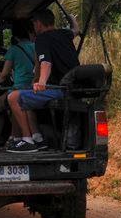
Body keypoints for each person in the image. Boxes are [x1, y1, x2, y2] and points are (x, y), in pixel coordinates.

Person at [6, 8, 80, 153]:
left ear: (38, 24)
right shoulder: (64, 34)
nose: (34, 28)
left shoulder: (42, 39)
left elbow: (45, 63)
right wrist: (72, 18)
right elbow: (76, 30)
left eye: (34, 24)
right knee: (28, 96)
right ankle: (38, 138)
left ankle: (27, 140)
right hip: (74, 87)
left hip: (60, 89)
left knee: (13, 97)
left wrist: (42, 82)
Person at [0, 18, 37, 149]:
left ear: (15, 36)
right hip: (33, 90)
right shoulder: (36, 46)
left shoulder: (13, 50)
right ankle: (12, 137)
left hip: (17, 90)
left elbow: (3, 77)